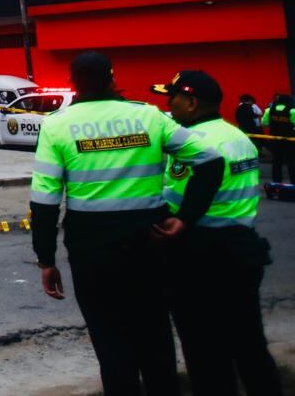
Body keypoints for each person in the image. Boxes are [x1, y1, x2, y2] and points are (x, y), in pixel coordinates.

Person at [30, 52, 224, 395]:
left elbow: (45, 200)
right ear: (112, 78)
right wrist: (185, 218)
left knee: (110, 342)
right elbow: (210, 160)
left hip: (91, 248)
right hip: (149, 241)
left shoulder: (57, 125)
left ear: (74, 82)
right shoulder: (149, 116)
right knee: (155, 341)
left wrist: (46, 259)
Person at [152, 71, 281, 396]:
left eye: (174, 98)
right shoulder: (237, 136)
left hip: (200, 255)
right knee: (250, 343)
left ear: (192, 102)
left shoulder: (194, 146)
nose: (168, 105)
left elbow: (175, 203)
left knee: (205, 351)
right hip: (242, 247)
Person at [262, 93, 293, 183]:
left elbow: (265, 123)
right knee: (291, 162)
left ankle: (276, 183)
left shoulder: (269, 110)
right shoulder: (292, 110)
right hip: (289, 140)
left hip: (275, 139)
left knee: (276, 161)